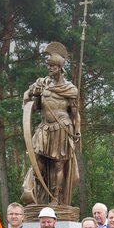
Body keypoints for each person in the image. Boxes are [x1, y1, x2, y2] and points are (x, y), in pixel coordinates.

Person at [21, 42, 80, 205]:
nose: (49, 69)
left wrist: (77, 131)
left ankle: (55, 196)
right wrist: (33, 93)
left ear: (60, 68)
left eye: (52, 66)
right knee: (36, 159)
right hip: (44, 128)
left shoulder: (70, 89)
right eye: (48, 66)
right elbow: (29, 97)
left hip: (62, 127)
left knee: (58, 165)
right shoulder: (43, 83)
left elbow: (75, 114)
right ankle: (35, 191)